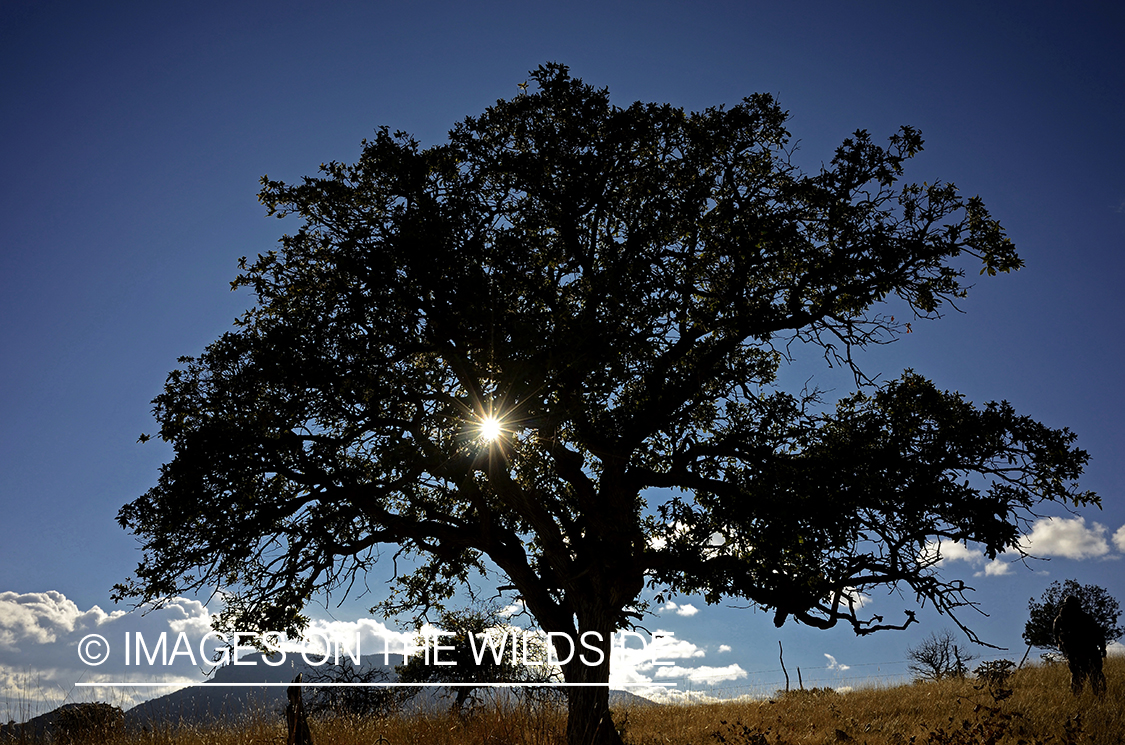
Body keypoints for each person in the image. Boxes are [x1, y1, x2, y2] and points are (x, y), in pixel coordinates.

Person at [1053, 595, 1107, 695]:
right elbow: (1098, 633)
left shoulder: (1060, 619)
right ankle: (1100, 697)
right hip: (1089, 650)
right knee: (1095, 674)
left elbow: (1056, 636)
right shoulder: (1085, 617)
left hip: (1074, 652)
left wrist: (1062, 647)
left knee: (1077, 676)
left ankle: (1078, 697)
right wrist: (1102, 648)